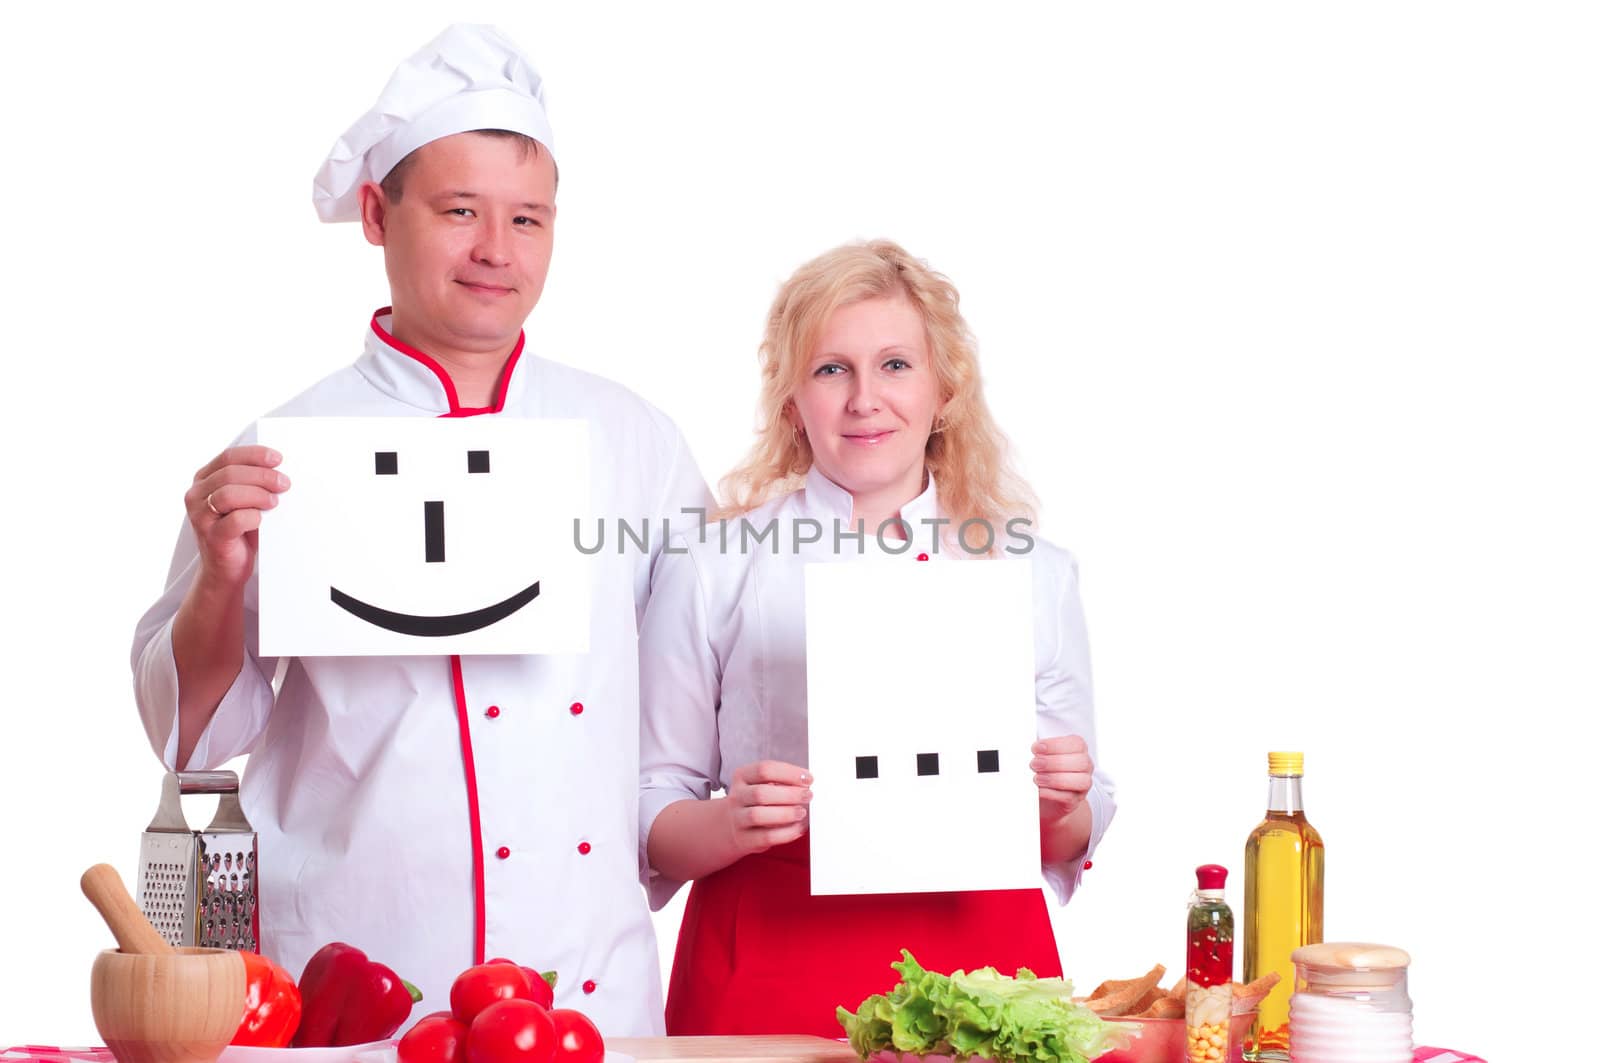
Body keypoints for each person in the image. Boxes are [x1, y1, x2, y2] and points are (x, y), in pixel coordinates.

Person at [130, 25, 707, 1035]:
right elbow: (196, 742)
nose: (497, 250)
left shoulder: (634, 441)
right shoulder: (286, 450)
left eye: (527, 218)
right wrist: (221, 581)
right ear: (374, 213)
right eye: (458, 211)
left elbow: (683, 724)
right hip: (350, 972)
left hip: (587, 986)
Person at [637, 240, 1116, 1035]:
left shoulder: (1032, 572)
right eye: (832, 369)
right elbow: (651, 802)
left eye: (895, 365)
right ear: (792, 399)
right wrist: (730, 822)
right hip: (766, 950)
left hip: (983, 965)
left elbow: (1072, 825)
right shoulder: (715, 565)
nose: (865, 399)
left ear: (944, 390)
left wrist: (1064, 801)